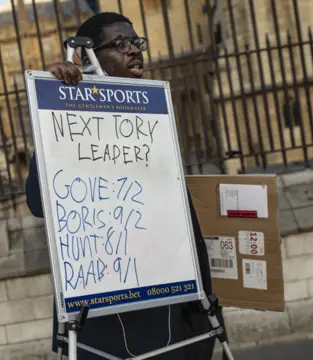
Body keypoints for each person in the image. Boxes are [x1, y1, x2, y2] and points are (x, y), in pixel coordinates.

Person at [25, 12, 229, 360]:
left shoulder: (152, 115)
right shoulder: (71, 116)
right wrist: (55, 104)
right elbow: (37, 201)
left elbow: (181, 218)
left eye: (137, 42)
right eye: (121, 44)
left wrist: (204, 298)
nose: (134, 50)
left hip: (165, 300)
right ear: (90, 56)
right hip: (101, 310)